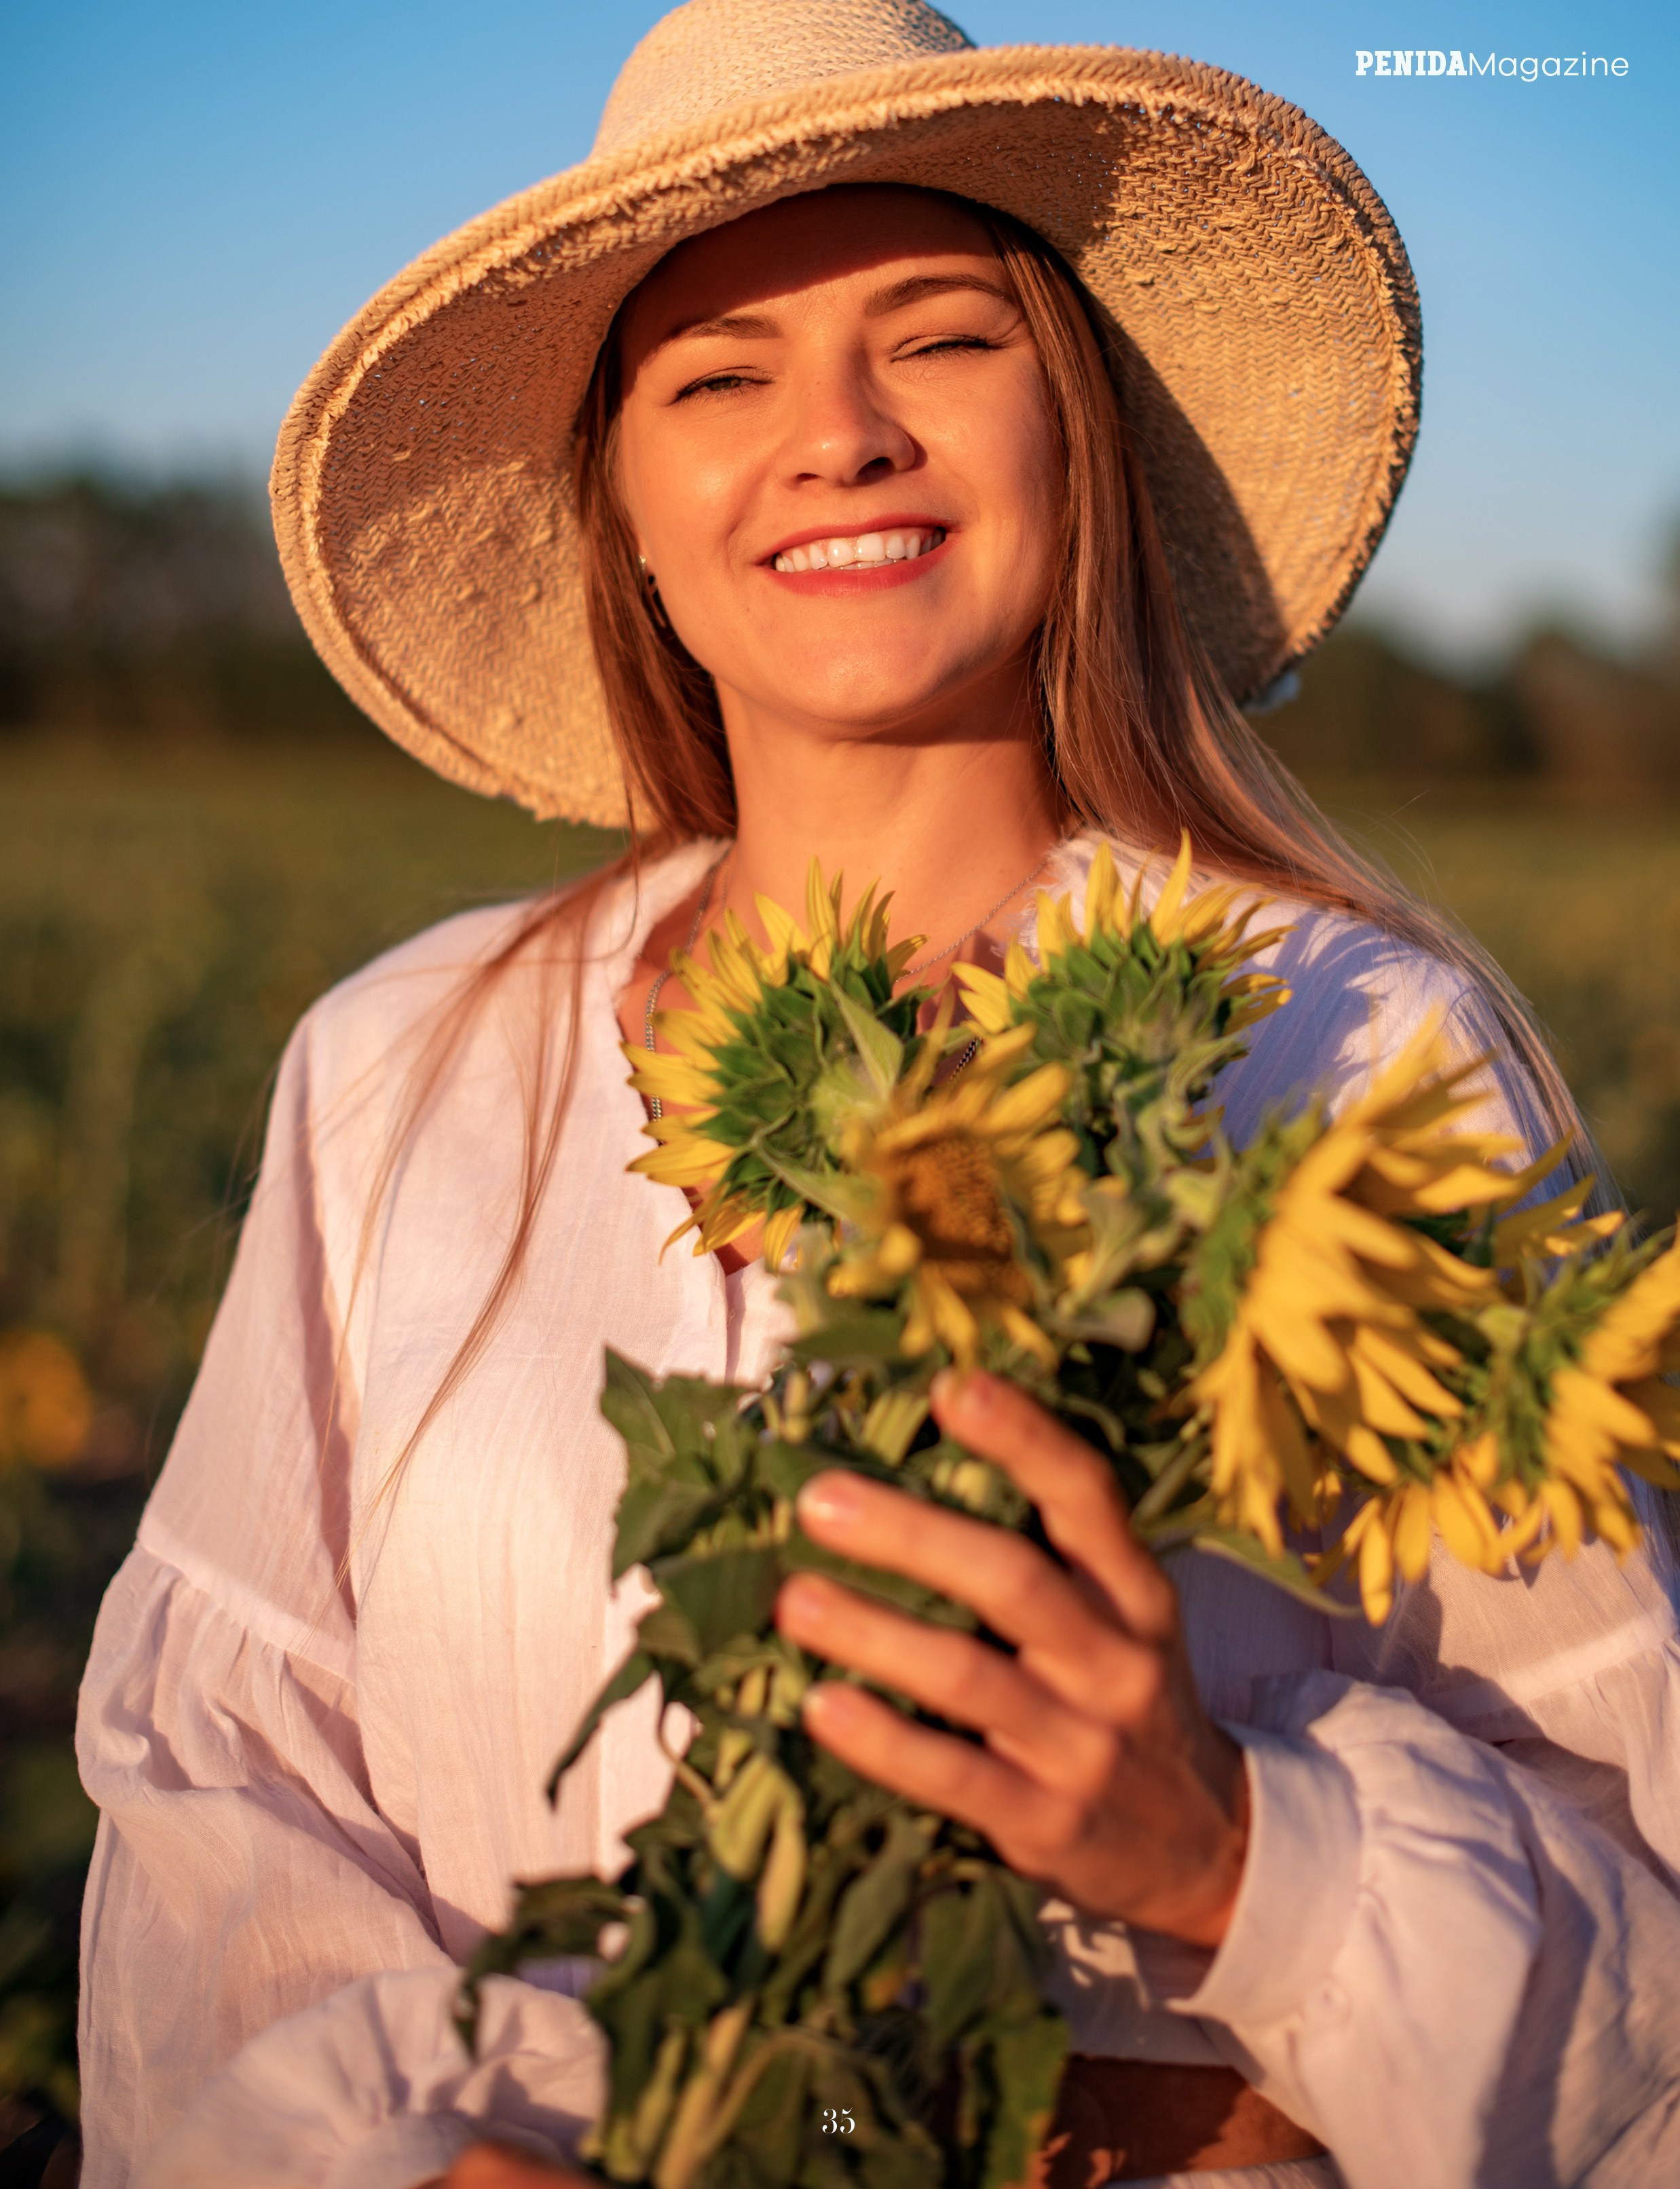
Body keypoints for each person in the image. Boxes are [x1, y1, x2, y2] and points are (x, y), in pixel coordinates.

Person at [75, 4, 1680, 2186]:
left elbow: (1641, 1919)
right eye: (717, 375)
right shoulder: (396, 1067)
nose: (833, 436)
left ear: (1075, 437)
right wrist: (401, 2155)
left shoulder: (1357, 1050)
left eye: (935, 340)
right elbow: (226, 1807)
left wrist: (1236, 1854)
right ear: (624, 512)